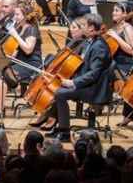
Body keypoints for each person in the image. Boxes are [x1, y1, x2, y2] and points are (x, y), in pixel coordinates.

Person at [46, 13, 113, 142]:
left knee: (60, 93)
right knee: (56, 88)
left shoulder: (99, 46)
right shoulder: (89, 41)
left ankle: (64, 132)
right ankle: (59, 126)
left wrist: (73, 82)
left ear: (91, 28)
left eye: (83, 25)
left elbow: (93, 74)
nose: (81, 28)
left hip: (94, 88)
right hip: (87, 84)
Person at [0, 4, 41, 119]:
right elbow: (16, 50)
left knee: (0, 76)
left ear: (26, 16)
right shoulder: (19, 28)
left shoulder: (32, 29)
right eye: (14, 14)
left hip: (30, 64)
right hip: (19, 61)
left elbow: (28, 50)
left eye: (17, 14)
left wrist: (15, 35)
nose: (14, 17)